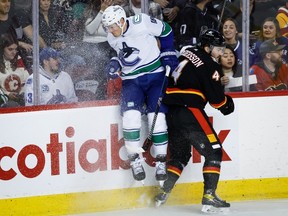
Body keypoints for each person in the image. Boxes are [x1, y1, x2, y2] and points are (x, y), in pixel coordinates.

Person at [154, 29, 234, 213]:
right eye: (218, 48)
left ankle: (163, 193)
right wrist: (228, 103)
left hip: (172, 113)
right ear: (207, 47)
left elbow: (193, 74)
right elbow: (217, 102)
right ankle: (209, 196)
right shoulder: (211, 65)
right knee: (214, 152)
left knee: (180, 156)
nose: (221, 52)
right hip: (190, 110)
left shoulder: (187, 52)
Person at [101, 5, 178, 183]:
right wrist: (114, 64)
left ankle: (160, 161)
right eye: (108, 28)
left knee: (156, 118)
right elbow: (122, 54)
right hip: (131, 80)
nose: (110, 31)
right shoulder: (111, 37)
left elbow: (166, 31)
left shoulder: (141, 21)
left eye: (112, 26)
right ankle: (135, 159)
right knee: (130, 117)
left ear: (121, 21)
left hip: (155, 76)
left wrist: (167, 52)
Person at [0, 33, 30, 106]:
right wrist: (7, 95)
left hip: (20, 99)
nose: (14, 52)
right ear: (1, 49)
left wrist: (22, 93)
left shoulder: (18, 59)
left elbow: (27, 79)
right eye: (10, 49)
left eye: (16, 49)